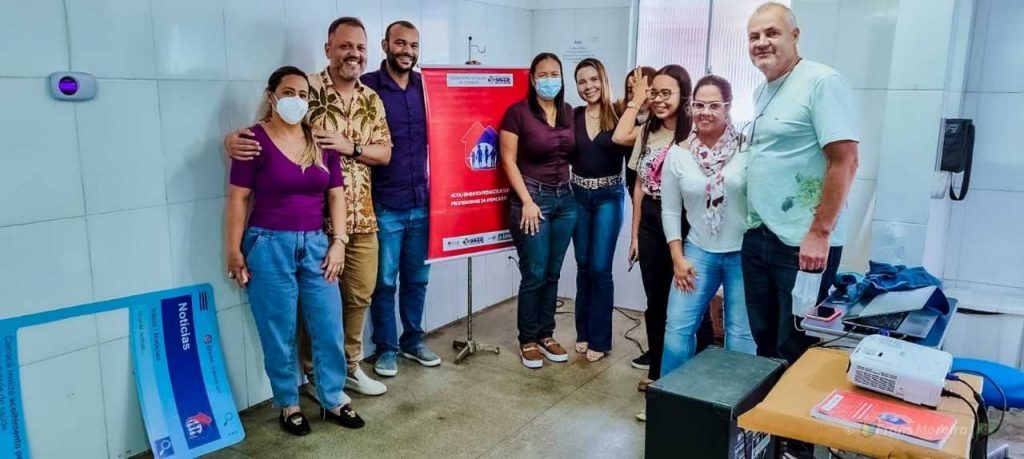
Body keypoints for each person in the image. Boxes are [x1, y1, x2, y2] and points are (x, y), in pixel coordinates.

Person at [223, 17, 393, 398]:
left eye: (361, 47)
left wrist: (352, 148)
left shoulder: (371, 98)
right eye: (346, 45)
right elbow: (265, 130)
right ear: (329, 48)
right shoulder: (305, 87)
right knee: (299, 311)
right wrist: (230, 141)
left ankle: (349, 366)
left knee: (358, 295)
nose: (354, 53)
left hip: (359, 216)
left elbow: (386, 153)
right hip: (305, 223)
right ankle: (313, 379)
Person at [224, 65, 364, 435]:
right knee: (279, 329)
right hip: (268, 244)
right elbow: (238, 199)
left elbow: (337, 195)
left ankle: (333, 397)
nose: (296, 101)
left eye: (303, 95)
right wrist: (233, 250)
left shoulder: (321, 142)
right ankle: (288, 402)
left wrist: (339, 242)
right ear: (271, 96)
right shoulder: (251, 141)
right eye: (288, 93)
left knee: (328, 324)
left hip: (317, 243)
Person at [743, 2, 859, 364]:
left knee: (793, 348)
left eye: (771, 33)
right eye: (754, 36)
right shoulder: (762, 91)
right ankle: (761, 419)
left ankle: (784, 420)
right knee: (763, 343)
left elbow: (846, 160)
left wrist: (820, 233)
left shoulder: (821, 82)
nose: (761, 42)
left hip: (802, 246)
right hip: (760, 235)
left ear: (795, 35)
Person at [660, 75, 756, 377]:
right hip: (696, 252)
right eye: (699, 104)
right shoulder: (678, 154)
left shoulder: (747, 150)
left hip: (743, 254)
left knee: (741, 336)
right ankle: (672, 398)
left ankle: (736, 411)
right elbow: (670, 210)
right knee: (677, 327)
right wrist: (677, 257)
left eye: (714, 105)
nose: (705, 112)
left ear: (728, 108)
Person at [362, 20, 441, 377]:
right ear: (385, 45)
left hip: (423, 201)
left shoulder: (427, 88)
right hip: (384, 204)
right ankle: (387, 348)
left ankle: (413, 340)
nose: (407, 51)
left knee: (417, 278)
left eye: (413, 45)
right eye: (400, 43)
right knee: (384, 282)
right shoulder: (368, 88)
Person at [621, 64, 692, 421]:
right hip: (650, 220)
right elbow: (637, 186)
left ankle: (688, 379)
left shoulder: (694, 134)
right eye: (656, 92)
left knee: (686, 305)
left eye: (668, 93)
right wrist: (634, 234)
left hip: (686, 224)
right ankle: (658, 374)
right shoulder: (648, 130)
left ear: (683, 95)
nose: (661, 99)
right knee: (656, 302)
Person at [500, 52, 577, 369]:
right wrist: (527, 202)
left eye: (554, 74)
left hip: (565, 201)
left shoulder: (569, 112)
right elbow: (507, 159)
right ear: (532, 79)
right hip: (531, 199)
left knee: (553, 272)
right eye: (543, 74)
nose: (550, 80)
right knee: (534, 272)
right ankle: (527, 339)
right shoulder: (517, 113)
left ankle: (546, 334)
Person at [569, 58, 633, 362]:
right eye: (582, 81)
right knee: (582, 266)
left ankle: (600, 339)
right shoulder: (574, 115)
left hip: (609, 195)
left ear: (603, 79)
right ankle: (582, 332)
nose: (588, 86)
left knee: (599, 268)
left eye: (593, 79)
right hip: (578, 195)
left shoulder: (621, 112)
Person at [614, 66, 656, 200]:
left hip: (655, 190)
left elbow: (621, 137)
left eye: (642, 90)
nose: (637, 95)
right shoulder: (628, 116)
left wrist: (637, 99)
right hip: (633, 185)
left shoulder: (658, 121)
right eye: (630, 90)